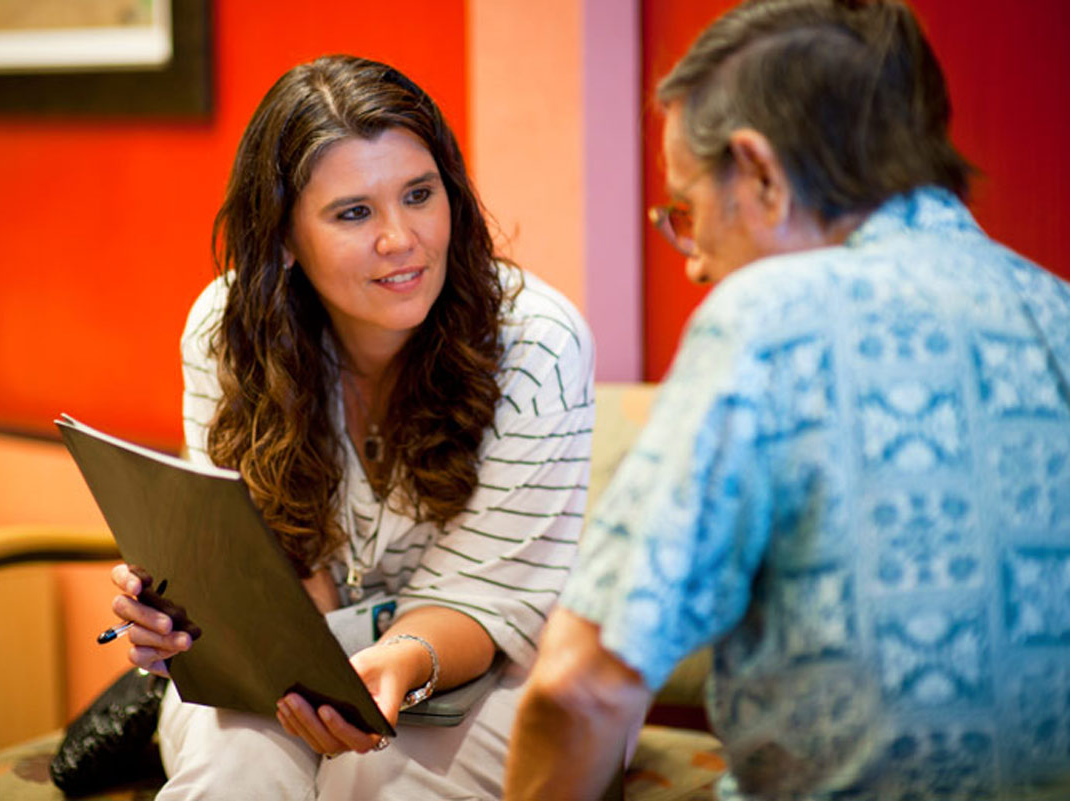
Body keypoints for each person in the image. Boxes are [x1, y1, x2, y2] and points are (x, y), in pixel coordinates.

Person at [505, 1, 1070, 799]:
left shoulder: (770, 316)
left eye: (688, 212)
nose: (695, 263)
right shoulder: (1056, 311)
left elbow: (581, 686)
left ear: (761, 172)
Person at [109, 54, 595, 800]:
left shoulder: (538, 344)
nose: (402, 239)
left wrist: (394, 661)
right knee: (232, 778)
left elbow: (494, 601)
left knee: (369, 784)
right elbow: (265, 561)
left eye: (419, 194)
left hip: (501, 663)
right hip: (301, 656)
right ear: (282, 239)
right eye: (354, 212)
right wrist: (192, 614)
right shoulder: (227, 330)